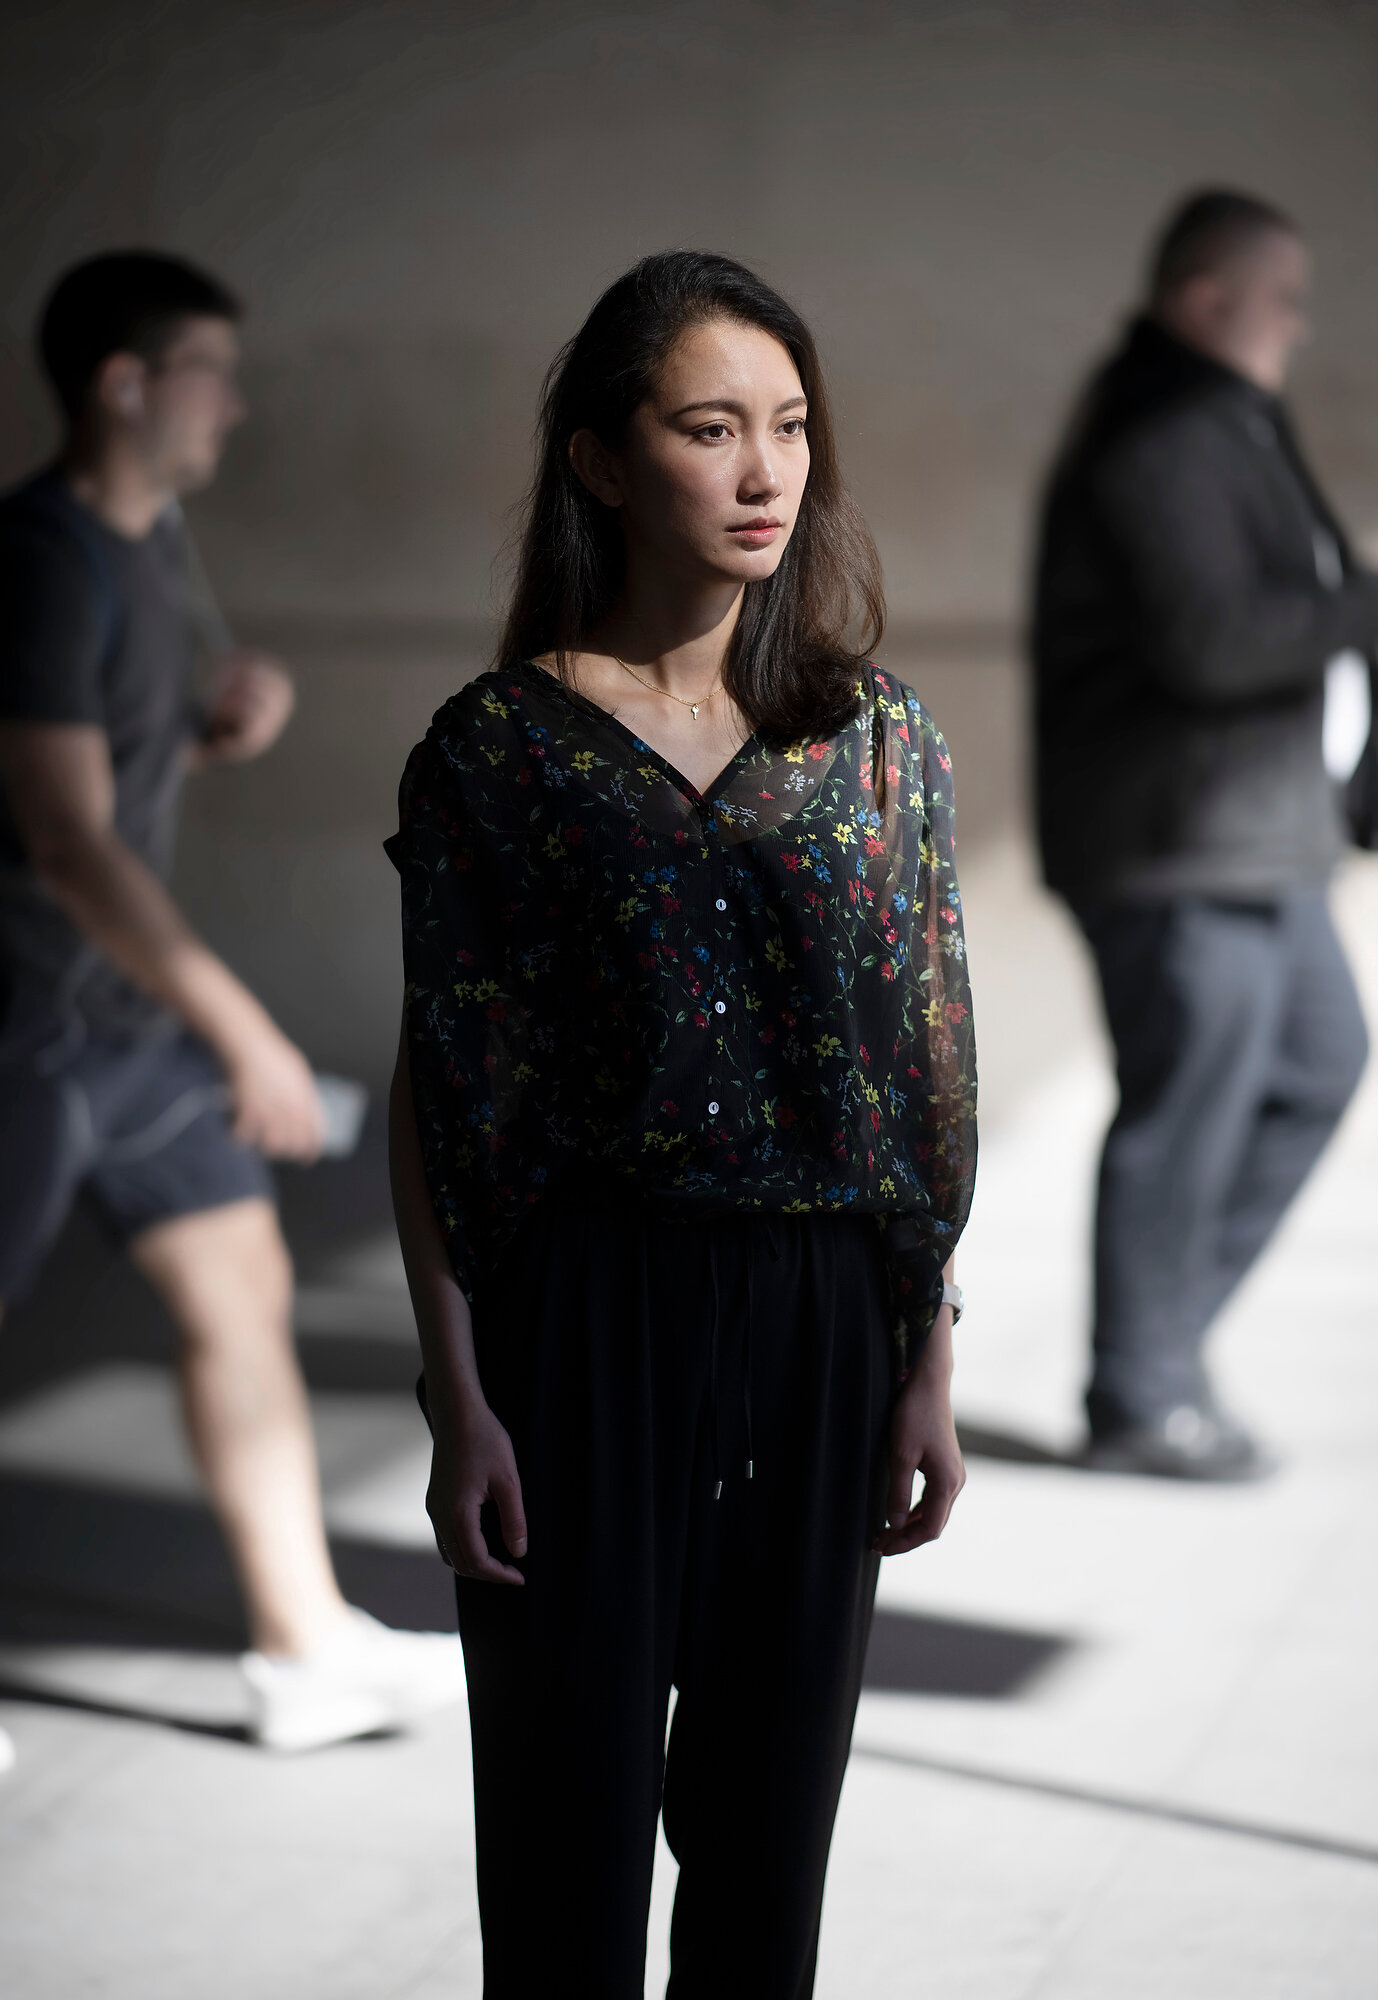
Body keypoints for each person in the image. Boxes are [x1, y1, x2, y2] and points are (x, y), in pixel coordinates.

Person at [387, 250, 978, 1998]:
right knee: (562, 1860)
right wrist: (458, 1390)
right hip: (582, 1323)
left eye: (789, 427)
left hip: (815, 1328)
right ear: (599, 459)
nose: (760, 472)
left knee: (764, 1855)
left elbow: (925, 1063)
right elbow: (439, 1081)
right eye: (708, 427)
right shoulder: (497, 748)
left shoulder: (874, 739)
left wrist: (922, 1355)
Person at [0, 250, 465, 1754]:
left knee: (238, 1285)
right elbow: (62, 844)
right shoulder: (41, 560)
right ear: (125, 383)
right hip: (23, 1029)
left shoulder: (147, 549)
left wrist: (201, 740)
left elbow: (76, 789)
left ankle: (302, 1643)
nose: (237, 404)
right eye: (211, 370)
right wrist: (245, 1029)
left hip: (110, 1026)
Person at [1033, 190, 1374, 1480]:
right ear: (1206, 297)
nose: (1299, 321)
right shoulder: (1162, 429)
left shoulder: (1223, 418)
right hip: (1183, 847)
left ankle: (1159, 1350)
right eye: (1280, 295)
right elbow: (1218, 641)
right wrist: (1367, 602)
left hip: (1256, 841)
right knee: (1186, 1108)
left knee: (1318, 1066)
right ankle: (1139, 1392)